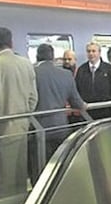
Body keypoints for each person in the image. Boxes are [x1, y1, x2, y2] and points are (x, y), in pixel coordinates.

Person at [0, 27, 38, 198]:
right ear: (11, 43)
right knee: (20, 178)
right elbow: (33, 98)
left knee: (4, 182)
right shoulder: (26, 64)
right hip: (22, 129)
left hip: (1, 134)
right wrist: (24, 118)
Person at [31, 43, 85, 180]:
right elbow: (77, 103)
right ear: (53, 57)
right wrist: (86, 106)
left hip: (38, 128)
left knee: (39, 167)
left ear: (37, 56)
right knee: (59, 165)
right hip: (61, 126)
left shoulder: (31, 72)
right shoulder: (66, 74)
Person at [75, 43, 111, 120]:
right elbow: (76, 88)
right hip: (87, 111)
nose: (91, 53)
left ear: (99, 53)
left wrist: (108, 99)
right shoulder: (81, 70)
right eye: (89, 51)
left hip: (104, 110)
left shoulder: (108, 69)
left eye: (94, 51)